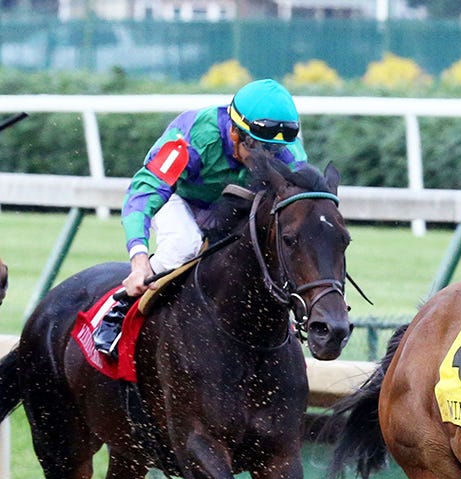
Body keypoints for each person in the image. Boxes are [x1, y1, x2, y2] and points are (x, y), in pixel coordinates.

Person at [93, 78, 307, 359]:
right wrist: (139, 258)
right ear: (234, 132)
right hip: (177, 196)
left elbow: (302, 207)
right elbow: (145, 193)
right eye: (256, 146)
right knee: (184, 244)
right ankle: (121, 306)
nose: (265, 158)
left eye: (273, 150)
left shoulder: (288, 153)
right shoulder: (195, 137)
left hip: (230, 204)